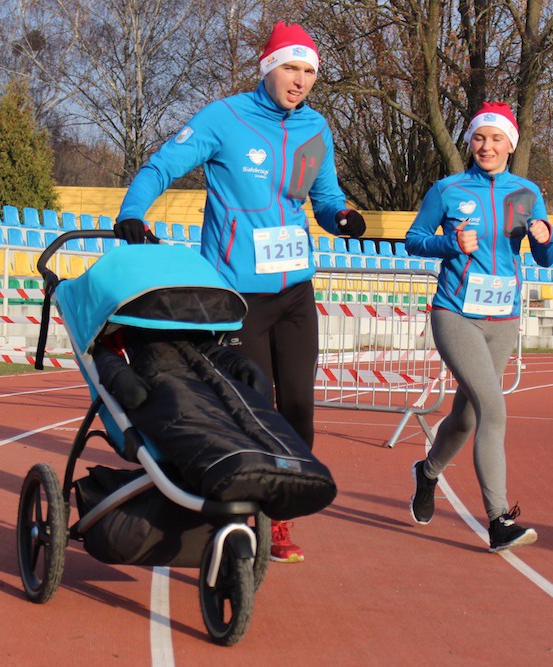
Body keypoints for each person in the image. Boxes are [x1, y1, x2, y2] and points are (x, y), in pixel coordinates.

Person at [114, 22, 366, 563]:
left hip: (295, 290)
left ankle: (278, 514)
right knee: (254, 405)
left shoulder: (316, 128)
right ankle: (241, 515)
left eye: (309, 72)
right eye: (291, 68)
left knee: (298, 406)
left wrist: (341, 217)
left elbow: (325, 198)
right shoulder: (223, 118)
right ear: (268, 67)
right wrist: (132, 212)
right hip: (237, 295)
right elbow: (162, 165)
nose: (300, 81)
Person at [405, 101, 553, 552]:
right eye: (479, 138)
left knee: (467, 415)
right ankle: (498, 520)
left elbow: (547, 257)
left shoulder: (526, 193)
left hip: (503, 318)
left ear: (510, 144)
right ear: (470, 141)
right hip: (455, 313)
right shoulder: (448, 189)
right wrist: (451, 243)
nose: (486, 146)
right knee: (493, 408)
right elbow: (414, 240)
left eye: (495, 139)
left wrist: (546, 238)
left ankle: (427, 472)